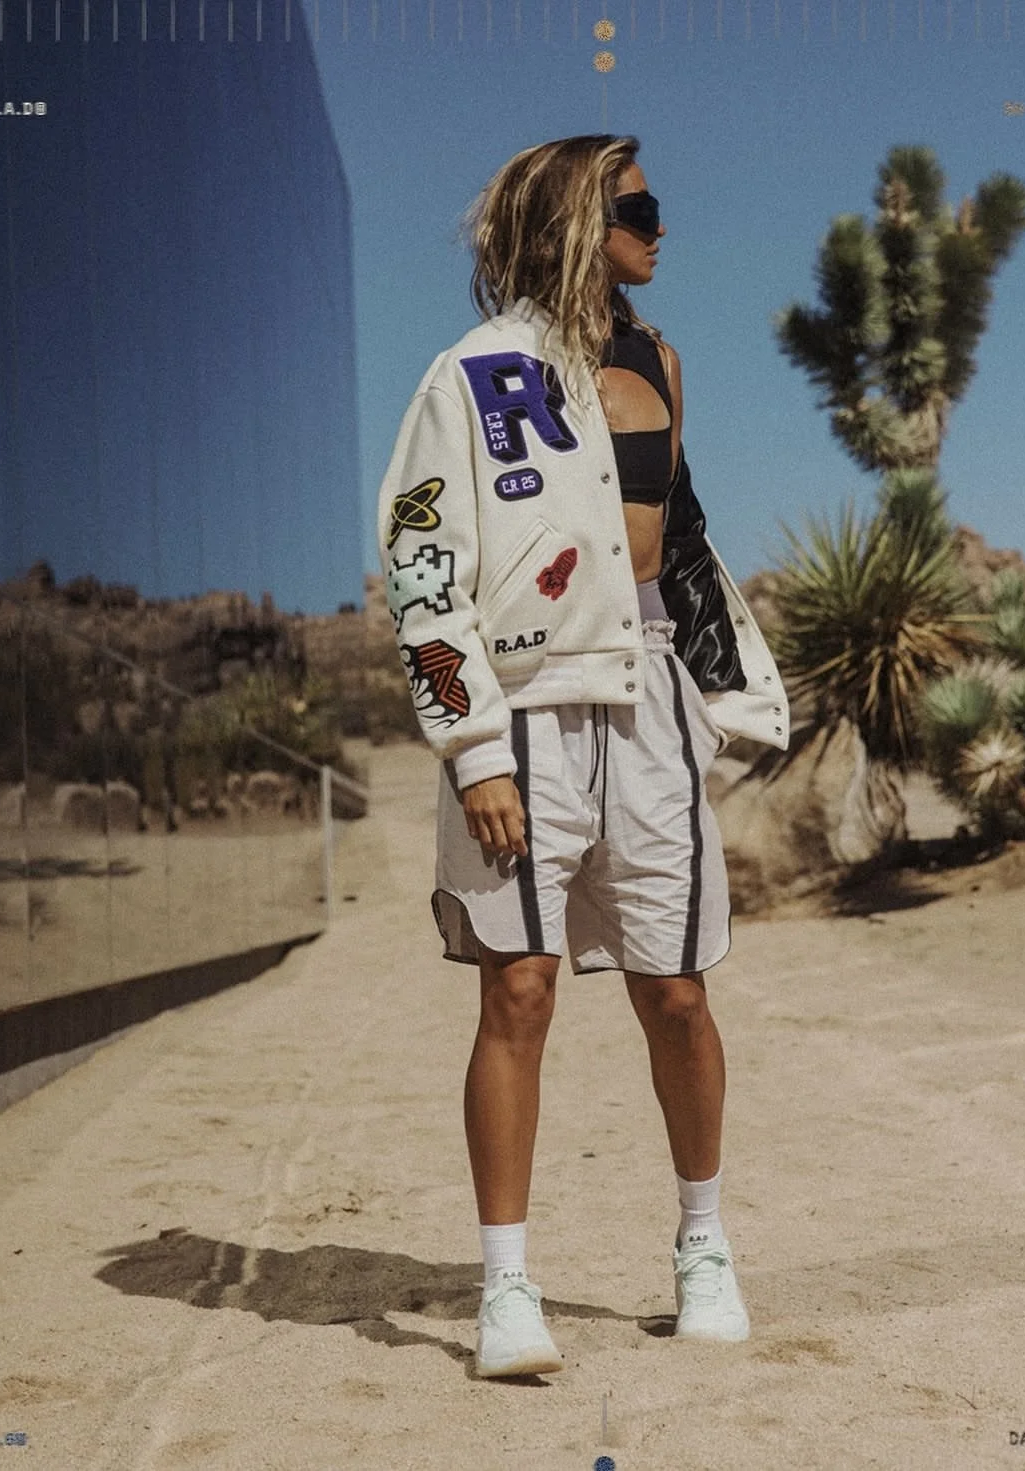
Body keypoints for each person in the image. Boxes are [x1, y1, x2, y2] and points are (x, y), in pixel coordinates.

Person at [377, 134, 789, 1379]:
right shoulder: (469, 374)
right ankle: (507, 1286)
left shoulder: (661, 359)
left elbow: (680, 533)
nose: (661, 228)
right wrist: (472, 749)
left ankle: (704, 1244)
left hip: (649, 699)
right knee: (519, 988)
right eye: (639, 209)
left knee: (679, 993)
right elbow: (421, 568)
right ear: (572, 221)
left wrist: (724, 691)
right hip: (521, 709)